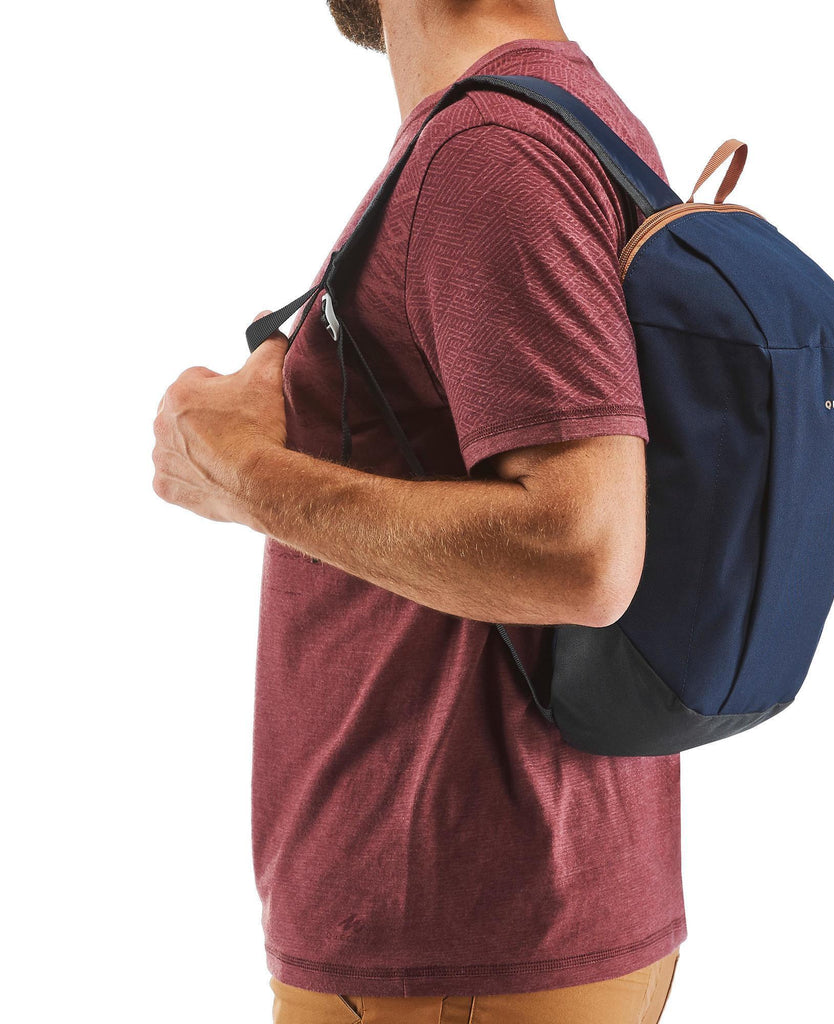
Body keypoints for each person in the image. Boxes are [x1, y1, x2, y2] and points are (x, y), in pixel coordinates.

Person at [151, 1, 685, 1020]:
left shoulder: (490, 152)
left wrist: (242, 479)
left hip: (453, 928)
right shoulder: (555, 119)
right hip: (505, 915)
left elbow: (585, 549)